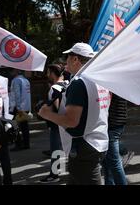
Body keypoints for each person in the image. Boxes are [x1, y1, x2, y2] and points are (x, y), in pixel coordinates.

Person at [38, 43, 111, 185]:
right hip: (98, 140)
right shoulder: (99, 79)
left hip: (84, 144)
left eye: (68, 58)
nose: (66, 62)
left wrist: (47, 114)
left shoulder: (79, 83)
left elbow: (72, 121)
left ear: (76, 59)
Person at [39, 64, 69, 183]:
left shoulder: (54, 88)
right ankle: (59, 171)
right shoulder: (68, 83)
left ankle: (54, 175)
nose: (47, 75)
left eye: (48, 72)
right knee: (62, 148)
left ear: (52, 73)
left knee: (55, 149)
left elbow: (55, 106)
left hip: (56, 123)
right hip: (67, 120)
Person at [103, 93, 128, 185]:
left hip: (112, 124)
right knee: (107, 162)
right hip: (115, 123)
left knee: (114, 163)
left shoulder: (112, 82)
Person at [9, 69, 31, 151]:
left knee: (16, 126)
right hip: (26, 106)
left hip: (18, 107)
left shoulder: (16, 80)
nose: (11, 72)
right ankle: (26, 143)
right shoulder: (26, 80)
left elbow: (17, 95)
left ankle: (18, 144)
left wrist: (18, 108)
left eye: (12, 70)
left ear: (16, 71)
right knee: (25, 126)